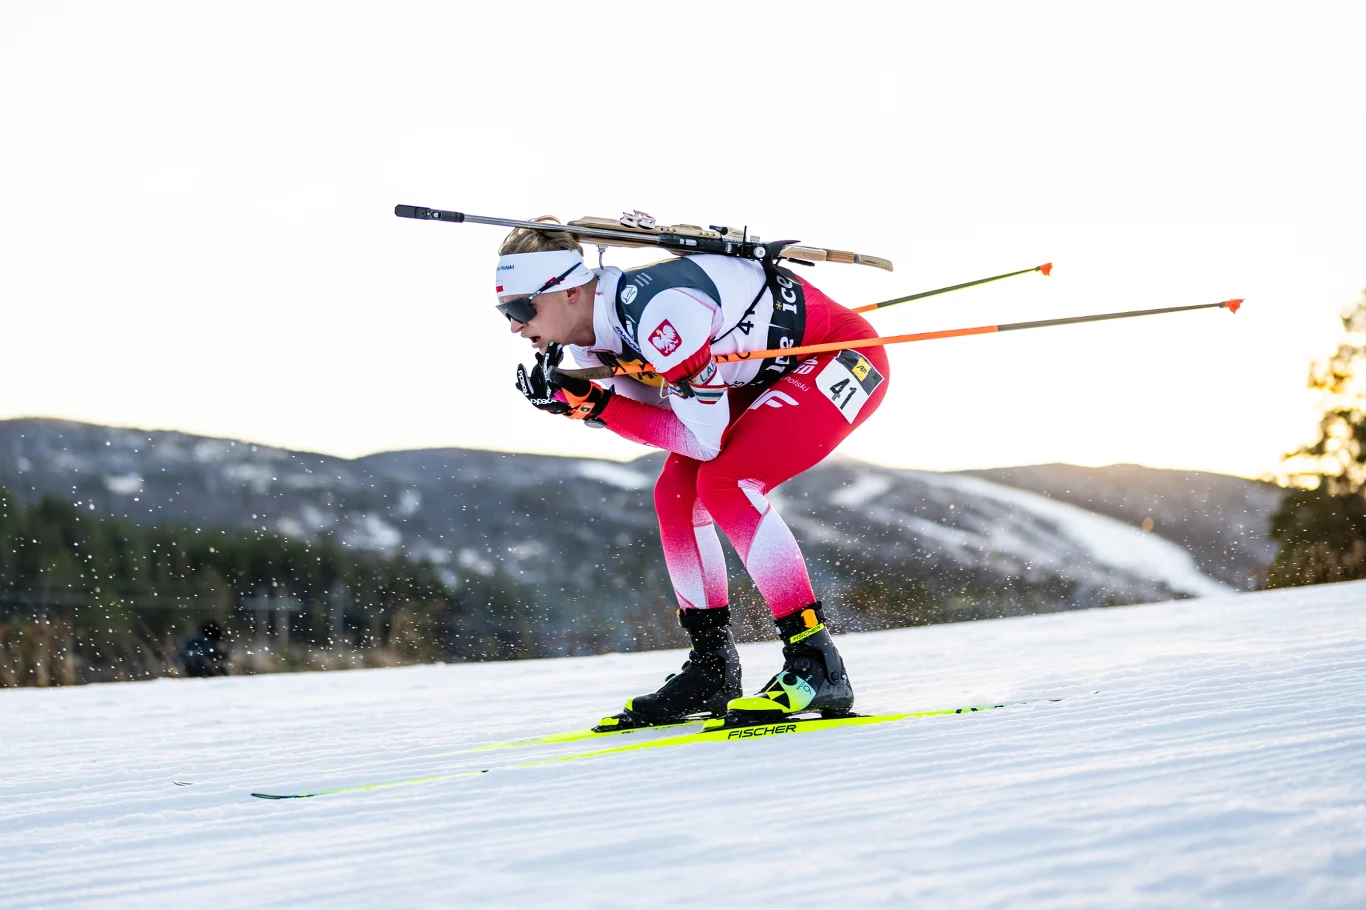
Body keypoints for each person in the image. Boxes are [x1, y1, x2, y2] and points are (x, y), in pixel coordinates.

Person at [502, 218, 890, 728]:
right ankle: (713, 669)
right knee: (678, 495)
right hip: (757, 374)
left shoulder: (661, 316)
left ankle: (815, 662)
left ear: (571, 291)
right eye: (504, 312)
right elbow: (659, 421)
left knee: (725, 484)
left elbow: (702, 439)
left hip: (835, 355)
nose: (513, 326)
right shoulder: (589, 344)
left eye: (520, 308)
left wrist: (596, 407)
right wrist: (582, 404)